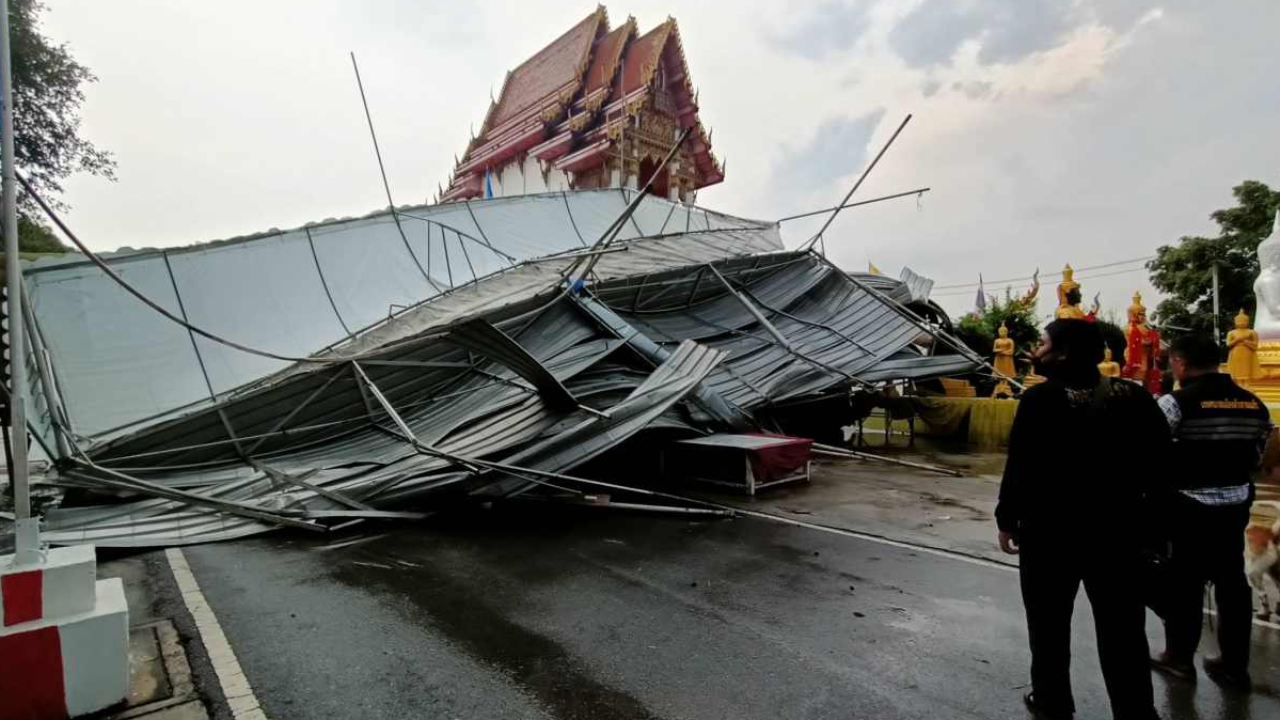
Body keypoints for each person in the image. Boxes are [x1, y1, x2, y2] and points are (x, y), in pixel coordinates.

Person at [996, 319, 1168, 720]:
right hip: (1119, 535)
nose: (1035, 351)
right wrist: (1156, 529)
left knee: (1049, 625)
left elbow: (1020, 468)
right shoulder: (1134, 397)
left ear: (1064, 352)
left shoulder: (1040, 401)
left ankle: (1052, 701)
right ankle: (1136, 710)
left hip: (1049, 535)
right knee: (1124, 631)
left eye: (1042, 343)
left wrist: (1007, 518)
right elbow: (1161, 467)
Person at [1148, 333, 1271, 689]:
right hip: (1234, 507)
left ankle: (1178, 658)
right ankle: (1234, 665)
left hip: (1186, 508)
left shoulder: (1176, 403)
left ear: (1180, 363)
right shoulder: (1254, 404)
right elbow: (1261, 457)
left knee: (1184, 583)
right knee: (1232, 583)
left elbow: (1148, 454)